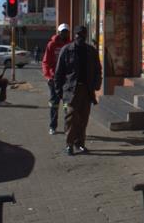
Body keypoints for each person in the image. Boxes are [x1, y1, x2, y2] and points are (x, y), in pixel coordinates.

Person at [55, 26, 101, 156]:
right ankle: (69, 144)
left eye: (83, 34)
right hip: (70, 91)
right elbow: (59, 72)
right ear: (74, 35)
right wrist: (59, 90)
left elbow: (98, 69)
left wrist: (97, 84)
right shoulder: (66, 50)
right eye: (78, 34)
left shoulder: (91, 51)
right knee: (71, 117)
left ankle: (80, 143)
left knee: (83, 118)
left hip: (87, 90)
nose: (80, 37)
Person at [42, 23, 71, 135]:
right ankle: (53, 126)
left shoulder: (70, 44)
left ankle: (67, 127)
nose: (64, 34)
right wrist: (48, 76)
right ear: (58, 32)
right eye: (62, 32)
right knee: (54, 103)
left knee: (66, 104)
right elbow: (46, 62)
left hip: (66, 80)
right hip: (54, 79)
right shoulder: (51, 45)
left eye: (66, 32)